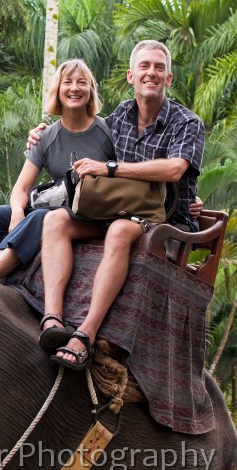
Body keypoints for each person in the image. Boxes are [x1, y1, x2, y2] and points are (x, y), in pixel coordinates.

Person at [35, 40, 205, 370]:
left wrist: (111, 169)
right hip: (116, 209)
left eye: (159, 67)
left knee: (119, 230)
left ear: (168, 79)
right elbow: (78, 129)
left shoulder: (187, 122)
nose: (151, 73)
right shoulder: (119, 117)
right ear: (131, 75)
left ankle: (85, 334)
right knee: (55, 220)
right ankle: (52, 320)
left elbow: (174, 169)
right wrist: (42, 135)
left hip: (167, 221)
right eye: (144, 66)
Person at [0, 59, 114, 284]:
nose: (75, 88)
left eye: (82, 82)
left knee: (41, 216)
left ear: (91, 90)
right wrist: (17, 212)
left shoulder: (108, 131)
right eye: (67, 82)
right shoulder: (45, 136)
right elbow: (22, 187)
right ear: (57, 91)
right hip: (53, 209)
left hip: (92, 217)